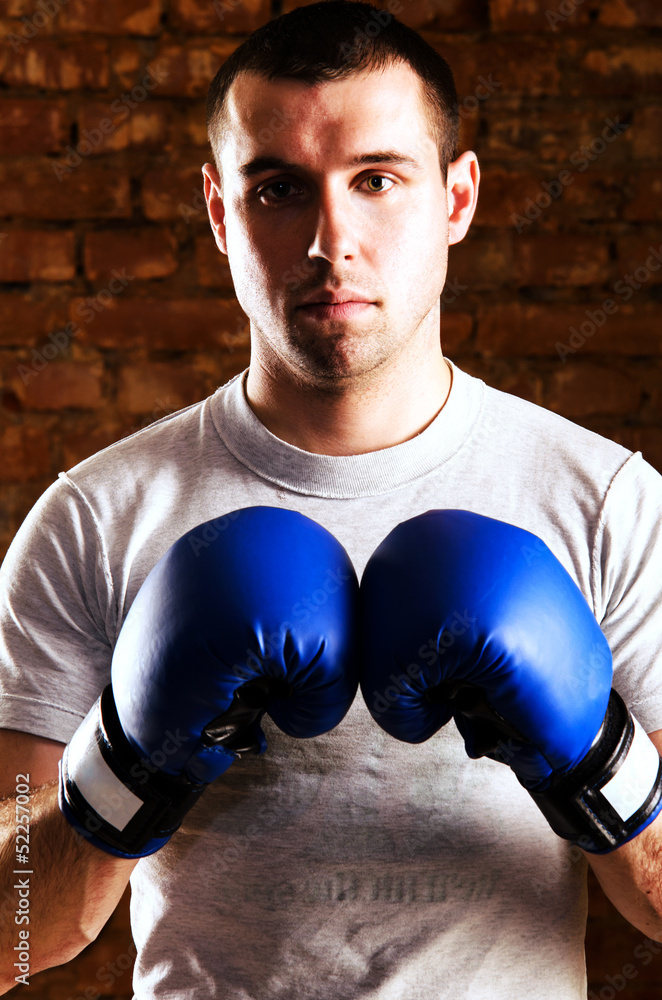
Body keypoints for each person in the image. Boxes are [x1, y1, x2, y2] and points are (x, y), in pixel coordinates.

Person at [1, 2, 661, 997]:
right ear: (219, 210)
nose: (329, 240)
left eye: (377, 180)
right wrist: (131, 763)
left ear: (457, 198)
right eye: (278, 189)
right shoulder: (95, 519)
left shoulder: (606, 503)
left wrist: (591, 755)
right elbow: (12, 931)